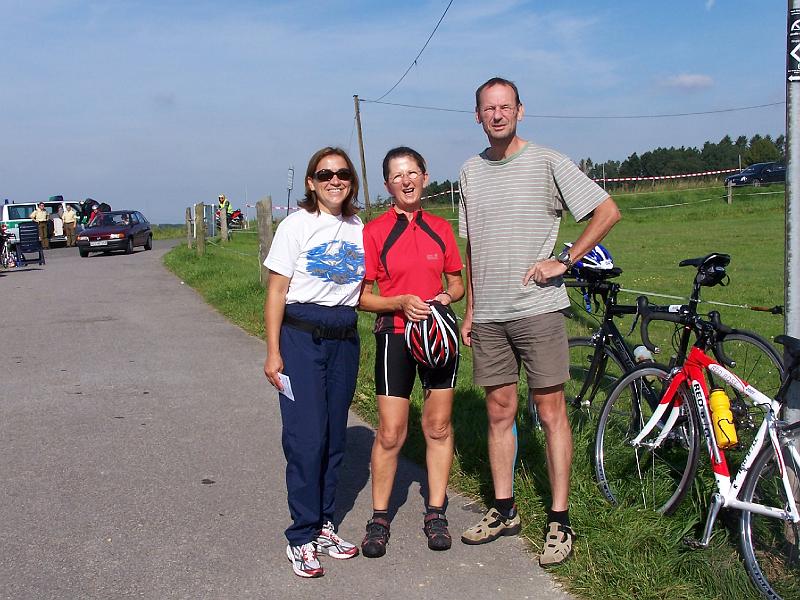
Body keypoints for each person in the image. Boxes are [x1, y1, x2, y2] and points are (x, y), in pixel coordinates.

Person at [458, 77, 621, 566]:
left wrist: (566, 259)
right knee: (499, 412)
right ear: (478, 116)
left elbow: (607, 210)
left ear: (520, 111)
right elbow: (472, 245)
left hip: (538, 310)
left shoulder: (548, 160)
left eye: (506, 106)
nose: (498, 115)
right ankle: (504, 509)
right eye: (489, 108)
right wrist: (469, 309)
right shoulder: (468, 171)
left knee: (551, 413)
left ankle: (559, 519)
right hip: (489, 316)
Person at [263, 147, 366, 578]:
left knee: (334, 439)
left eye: (342, 173)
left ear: (351, 180)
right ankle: (301, 536)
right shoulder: (296, 225)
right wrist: (273, 351)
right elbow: (276, 291)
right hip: (302, 339)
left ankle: (325, 524)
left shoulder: (360, 227)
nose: (334, 180)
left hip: (344, 339)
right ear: (311, 181)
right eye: (325, 174)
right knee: (306, 440)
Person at [357, 147, 464, 557]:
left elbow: (457, 284)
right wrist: (400, 301)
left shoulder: (441, 227)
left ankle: (436, 511)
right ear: (388, 184)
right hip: (396, 335)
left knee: (437, 426)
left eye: (413, 172)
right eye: (398, 175)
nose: (407, 180)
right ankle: (379, 517)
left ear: (424, 176)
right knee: (391, 432)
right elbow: (363, 298)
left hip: (438, 336)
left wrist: (444, 296)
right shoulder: (374, 231)